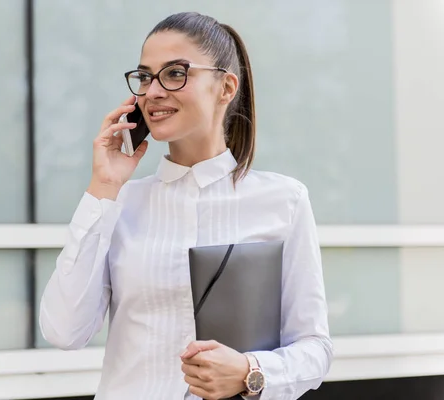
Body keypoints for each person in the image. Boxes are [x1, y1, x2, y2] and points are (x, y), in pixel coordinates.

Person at [39, 11, 333, 400]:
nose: (154, 92)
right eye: (145, 77)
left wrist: (250, 372)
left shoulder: (284, 201)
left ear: (226, 87)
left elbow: (314, 348)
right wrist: (103, 186)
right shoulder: (118, 202)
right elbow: (64, 330)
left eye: (175, 73)